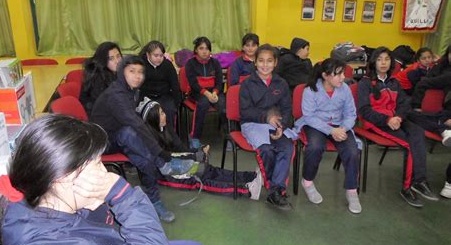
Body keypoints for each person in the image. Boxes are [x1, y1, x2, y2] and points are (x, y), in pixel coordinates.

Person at [0, 115, 228, 245]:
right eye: (96, 163)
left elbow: (100, 231)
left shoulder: (41, 199)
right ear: (63, 179)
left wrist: (97, 204)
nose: (104, 171)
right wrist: (122, 195)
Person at [91, 55, 184, 223]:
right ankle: (162, 164)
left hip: (120, 138)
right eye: (132, 71)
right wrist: (161, 154)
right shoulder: (116, 94)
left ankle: (155, 200)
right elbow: (135, 124)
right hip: (103, 143)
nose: (137, 76)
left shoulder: (131, 90)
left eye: (141, 72)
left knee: (144, 160)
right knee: (130, 132)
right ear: (121, 73)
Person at [358, 47, 438, 208]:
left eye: (387, 59)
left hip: (396, 118)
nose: (383, 63)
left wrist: (398, 117)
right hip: (376, 122)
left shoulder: (394, 82)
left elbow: (404, 103)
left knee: (418, 132)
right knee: (408, 146)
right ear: (373, 62)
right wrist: (387, 119)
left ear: (391, 62)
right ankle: (407, 188)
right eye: (379, 59)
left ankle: (420, 180)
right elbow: (365, 111)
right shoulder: (365, 83)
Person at [138, 97, 263, 199]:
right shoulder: (149, 140)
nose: (165, 115)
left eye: (163, 112)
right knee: (201, 182)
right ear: (152, 119)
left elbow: (179, 147)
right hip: (165, 174)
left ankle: (251, 176)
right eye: (161, 114)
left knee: (210, 170)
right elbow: (167, 158)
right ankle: (246, 191)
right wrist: (196, 156)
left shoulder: (165, 127)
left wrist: (197, 152)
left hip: (176, 163)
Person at [295, 58, 361, 213]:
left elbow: (351, 113)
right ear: (325, 75)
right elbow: (309, 117)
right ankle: (308, 181)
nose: (343, 77)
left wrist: (344, 128)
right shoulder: (310, 90)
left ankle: (352, 191)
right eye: (338, 74)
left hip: (340, 125)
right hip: (316, 125)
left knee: (352, 151)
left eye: (343, 73)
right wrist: (331, 131)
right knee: (315, 147)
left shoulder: (345, 89)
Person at [240, 44, 295, 210]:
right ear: (255, 62)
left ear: (276, 62)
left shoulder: (282, 83)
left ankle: (275, 191)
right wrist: (266, 117)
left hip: (275, 124)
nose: (265, 65)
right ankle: (275, 189)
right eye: (261, 61)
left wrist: (282, 126)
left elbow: (286, 109)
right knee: (267, 150)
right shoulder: (248, 84)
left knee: (286, 148)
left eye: (269, 61)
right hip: (252, 124)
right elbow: (246, 112)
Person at [185, 36, 226, 149]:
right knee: (203, 104)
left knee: (224, 106)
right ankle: (195, 137)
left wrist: (215, 92)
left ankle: (228, 135)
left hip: (214, 92)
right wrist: (207, 94)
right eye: (201, 48)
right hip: (197, 92)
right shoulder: (190, 63)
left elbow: (219, 82)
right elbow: (193, 84)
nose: (204, 51)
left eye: (207, 48)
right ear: (196, 50)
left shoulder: (215, 62)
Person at [139, 41, 181, 129]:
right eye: (156, 55)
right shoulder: (141, 65)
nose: (159, 58)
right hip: (147, 97)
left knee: (169, 109)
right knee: (149, 112)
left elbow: (175, 85)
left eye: (161, 56)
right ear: (148, 55)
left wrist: (177, 103)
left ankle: (169, 136)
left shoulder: (167, 65)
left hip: (164, 96)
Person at [80, 41, 122, 115]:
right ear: (103, 60)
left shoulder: (114, 72)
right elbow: (106, 106)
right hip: (97, 117)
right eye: (111, 58)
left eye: (118, 56)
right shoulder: (98, 78)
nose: (117, 61)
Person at [411, 45, 451, 109]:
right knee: (422, 82)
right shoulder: (443, 62)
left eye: (429, 57)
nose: (427, 60)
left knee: (422, 83)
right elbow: (432, 74)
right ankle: (416, 108)